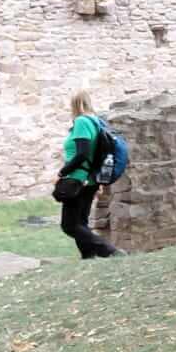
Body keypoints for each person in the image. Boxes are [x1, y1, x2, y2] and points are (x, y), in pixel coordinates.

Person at [56, 92, 123, 259]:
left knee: (69, 225)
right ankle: (88, 256)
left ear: (76, 104)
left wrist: (62, 172)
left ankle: (109, 250)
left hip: (78, 178)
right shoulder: (96, 122)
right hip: (90, 179)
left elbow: (83, 153)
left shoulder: (82, 121)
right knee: (81, 222)